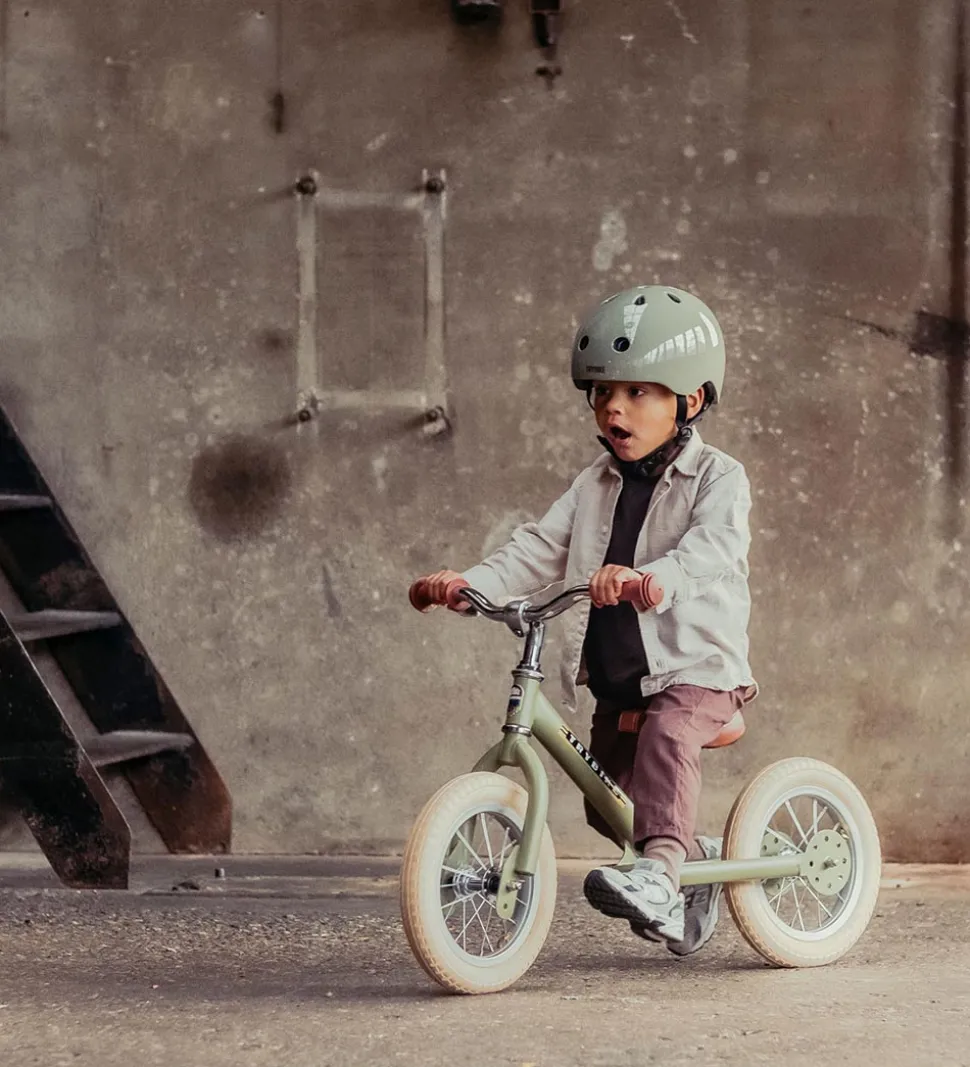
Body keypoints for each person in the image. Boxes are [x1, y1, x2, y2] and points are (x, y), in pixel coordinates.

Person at [416, 285, 757, 954]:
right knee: (609, 803)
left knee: (665, 740)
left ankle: (663, 873)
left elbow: (714, 546)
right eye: (603, 393)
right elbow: (537, 546)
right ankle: (690, 856)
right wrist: (471, 583)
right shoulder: (594, 483)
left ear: (689, 400)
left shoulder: (720, 477)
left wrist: (654, 577)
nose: (613, 407)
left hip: (694, 668)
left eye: (638, 393)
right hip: (620, 674)